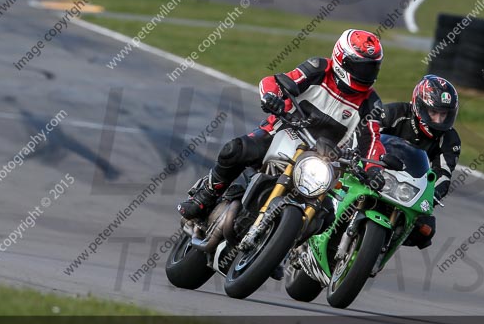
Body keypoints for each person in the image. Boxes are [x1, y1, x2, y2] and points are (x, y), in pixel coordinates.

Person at [178, 29, 388, 222]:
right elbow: (277, 81)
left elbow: (372, 141)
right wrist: (272, 96)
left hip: (322, 159)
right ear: (342, 59)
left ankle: (287, 254)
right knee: (235, 150)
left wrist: (374, 169)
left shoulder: (371, 103)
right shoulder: (319, 69)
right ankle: (206, 194)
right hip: (283, 131)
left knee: (326, 218)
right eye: (361, 66)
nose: (366, 73)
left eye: (372, 67)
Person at [380, 74, 461, 249]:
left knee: (426, 230)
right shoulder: (394, 113)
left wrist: (431, 195)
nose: (439, 120)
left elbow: (444, 174)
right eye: (433, 113)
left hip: (407, 190)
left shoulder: (450, 139)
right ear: (420, 106)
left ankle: (379, 252)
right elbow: (365, 133)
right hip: (375, 172)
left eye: (444, 115)